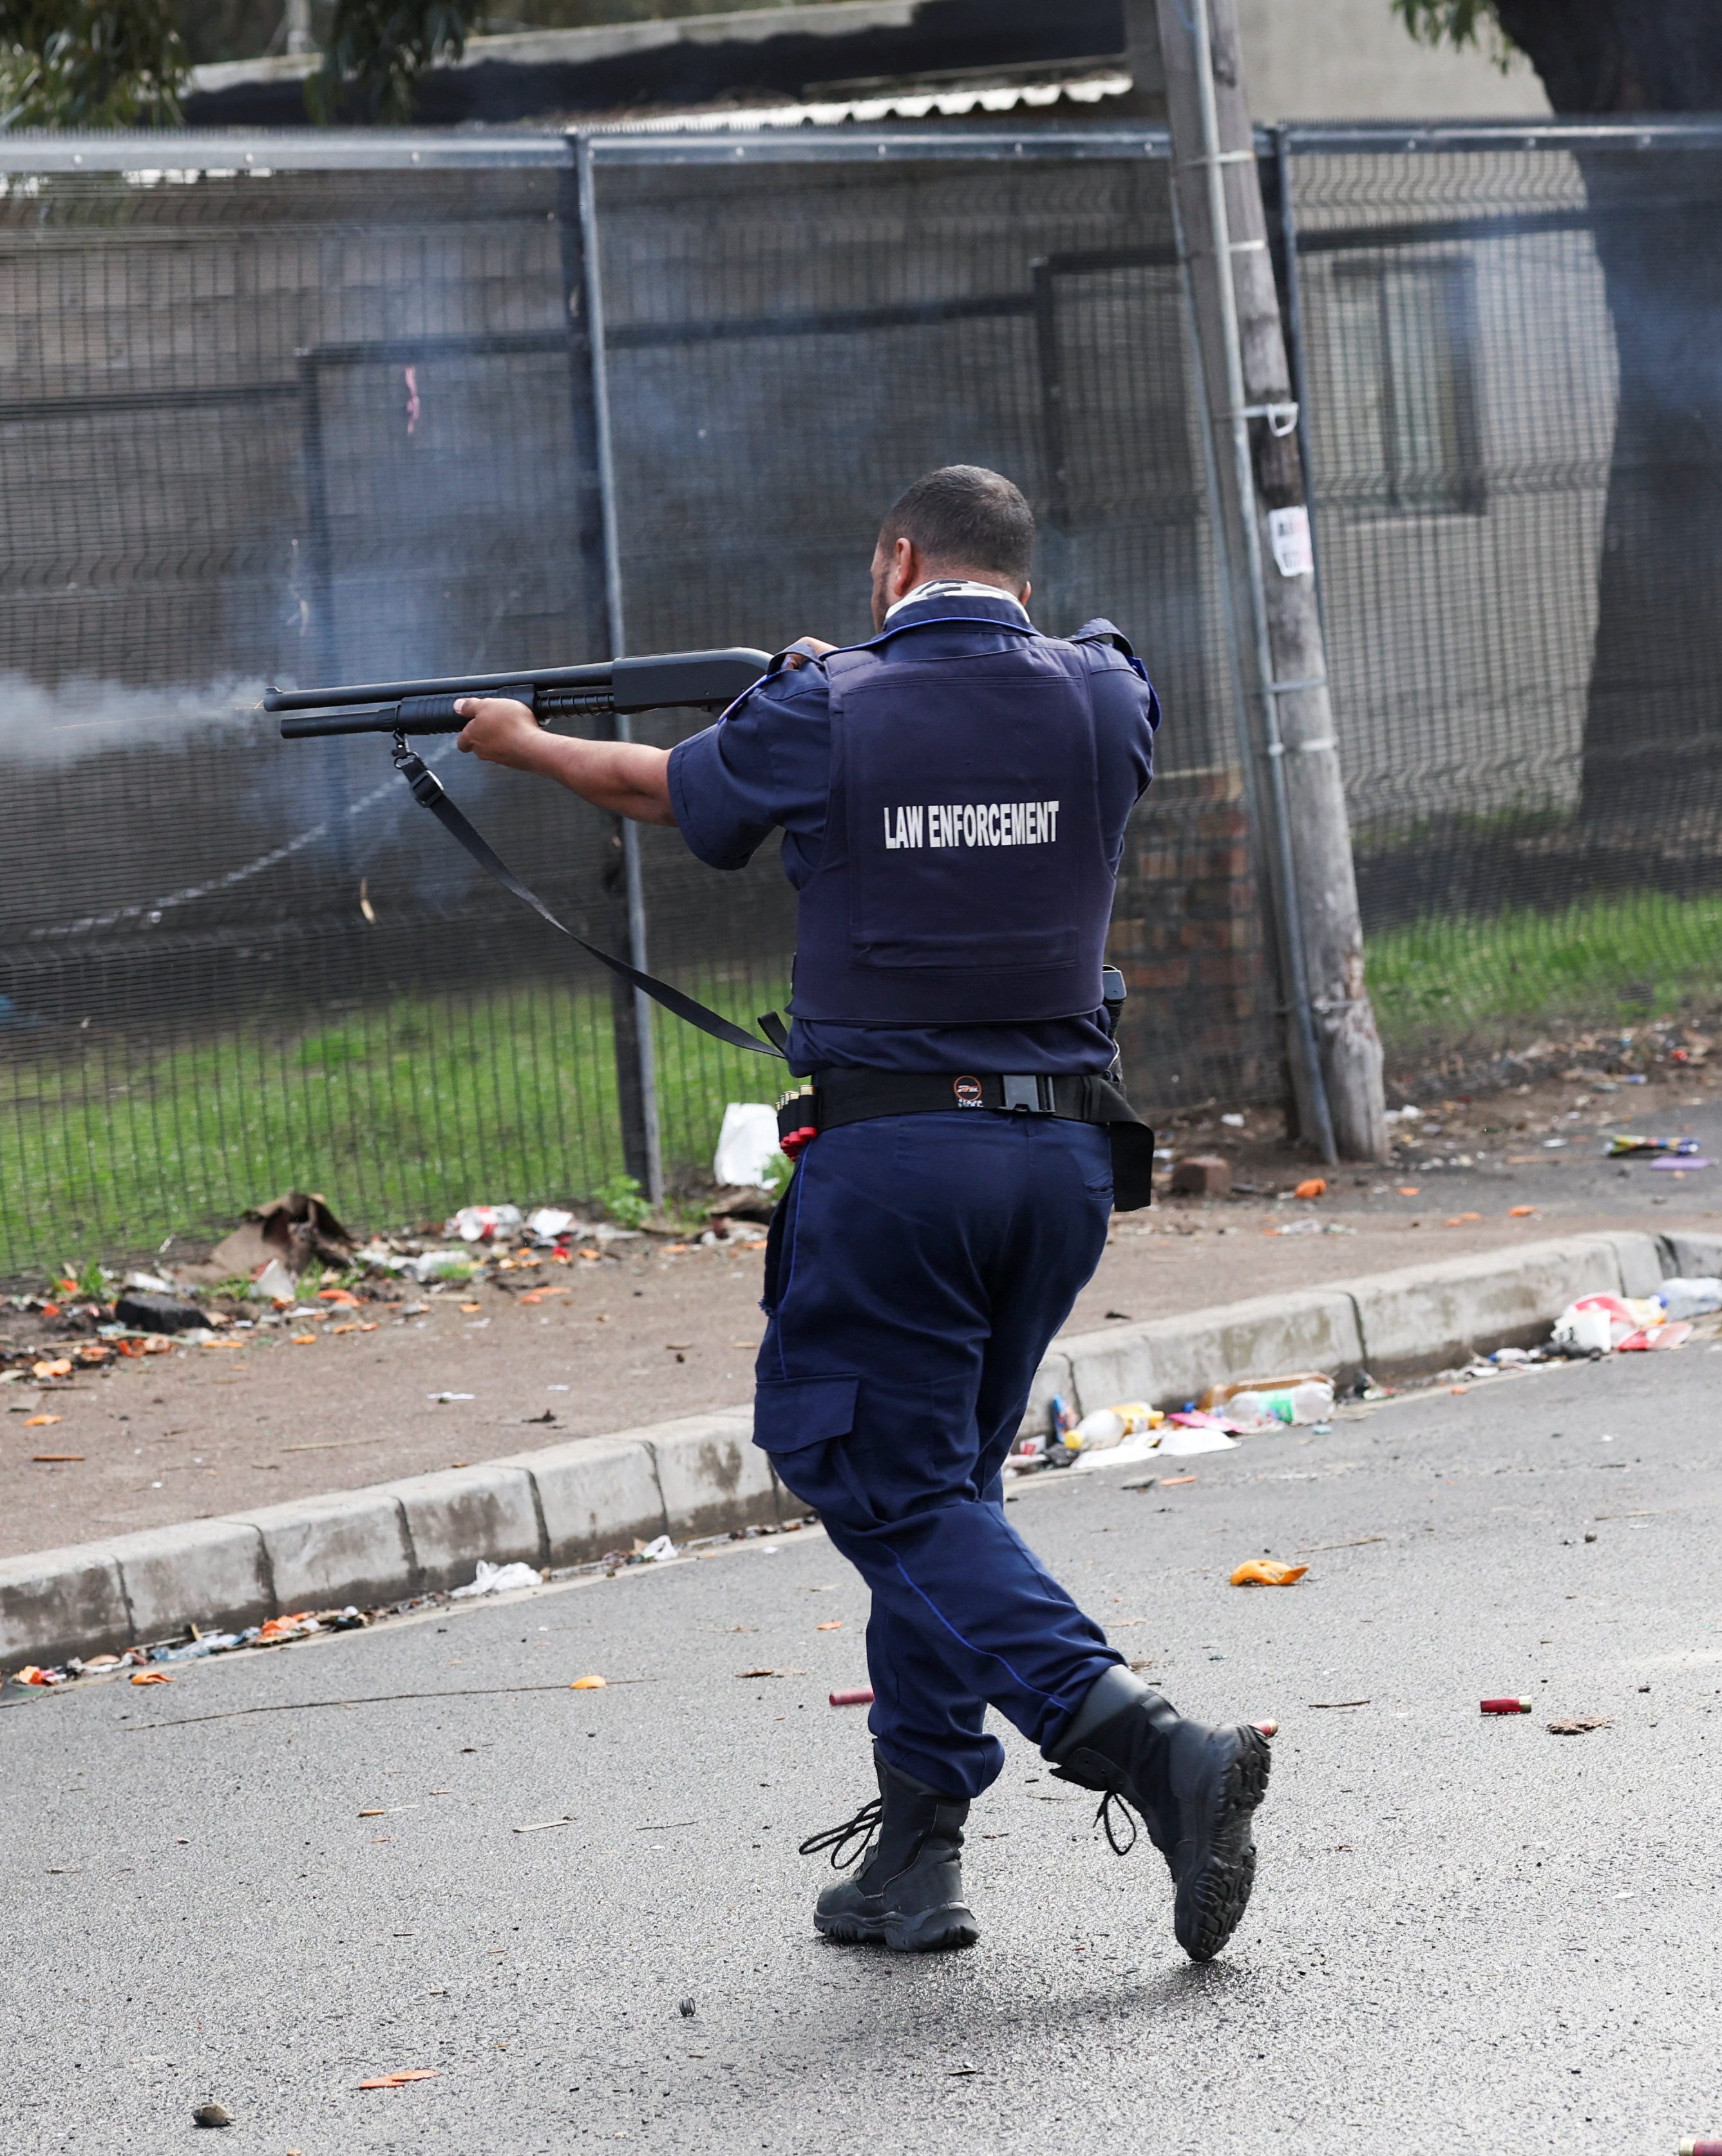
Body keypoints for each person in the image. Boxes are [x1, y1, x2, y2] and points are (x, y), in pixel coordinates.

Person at [451, 465, 1273, 1964]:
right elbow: (1069, 674)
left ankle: (1150, 1747)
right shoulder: (1106, 694)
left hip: (900, 1166)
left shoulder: (824, 710)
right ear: (1016, 571)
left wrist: (518, 744)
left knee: (880, 1483)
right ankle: (917, 1854)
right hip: (1061, 1170)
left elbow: (662, 790)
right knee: (945, 1492)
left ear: (893, 558)